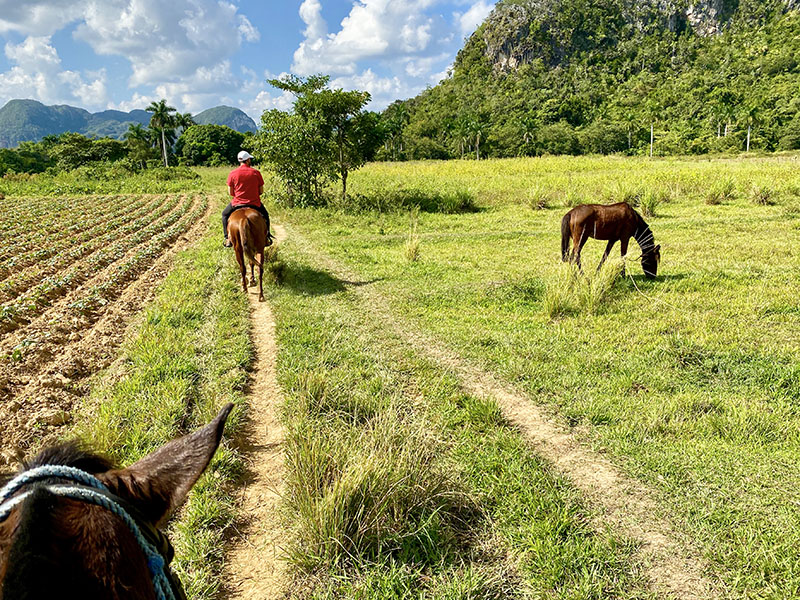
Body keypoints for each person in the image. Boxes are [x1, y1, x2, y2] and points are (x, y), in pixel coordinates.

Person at [222, 150, 271, 247]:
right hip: (255, 203)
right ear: (248, 160)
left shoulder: (232, 173)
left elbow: (231, 192)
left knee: (224, 215)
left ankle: (227, 238)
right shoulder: (256, 172)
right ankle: (267, 237)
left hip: (237, 203)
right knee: (266, 215)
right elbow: (261, 191)